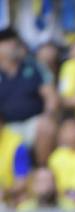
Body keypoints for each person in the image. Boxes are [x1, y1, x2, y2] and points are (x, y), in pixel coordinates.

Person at [0, 28, 58, 166]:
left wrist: (48, 115)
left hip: (33, 122)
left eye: (14, 42)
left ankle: (41, 172)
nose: (12, 46)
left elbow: (51, 97)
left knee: (46, 126)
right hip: (5, 126)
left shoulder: (33, 66)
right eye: (6, 42)